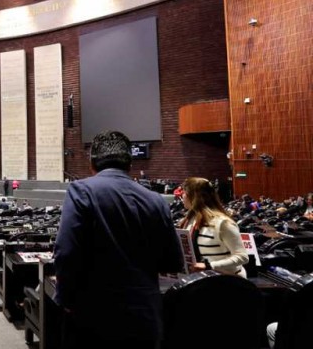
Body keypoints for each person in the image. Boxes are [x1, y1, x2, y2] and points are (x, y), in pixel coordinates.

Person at [54, 131, 183, 349]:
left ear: (92, 163)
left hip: (93, 314)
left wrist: (65, 298)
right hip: (145, 316)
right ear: (129, 164)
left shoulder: (81, 190)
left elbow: (66, 252)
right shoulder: (157, 200)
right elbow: (172, 262)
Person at [179, 177, 249, 277]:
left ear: (194, 196)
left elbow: (242, 257)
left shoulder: (222, 223)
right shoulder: (189, 220)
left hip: (228, 280)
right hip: (202, 278)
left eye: (184, 192)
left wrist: (209, 266)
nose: (182, 196)